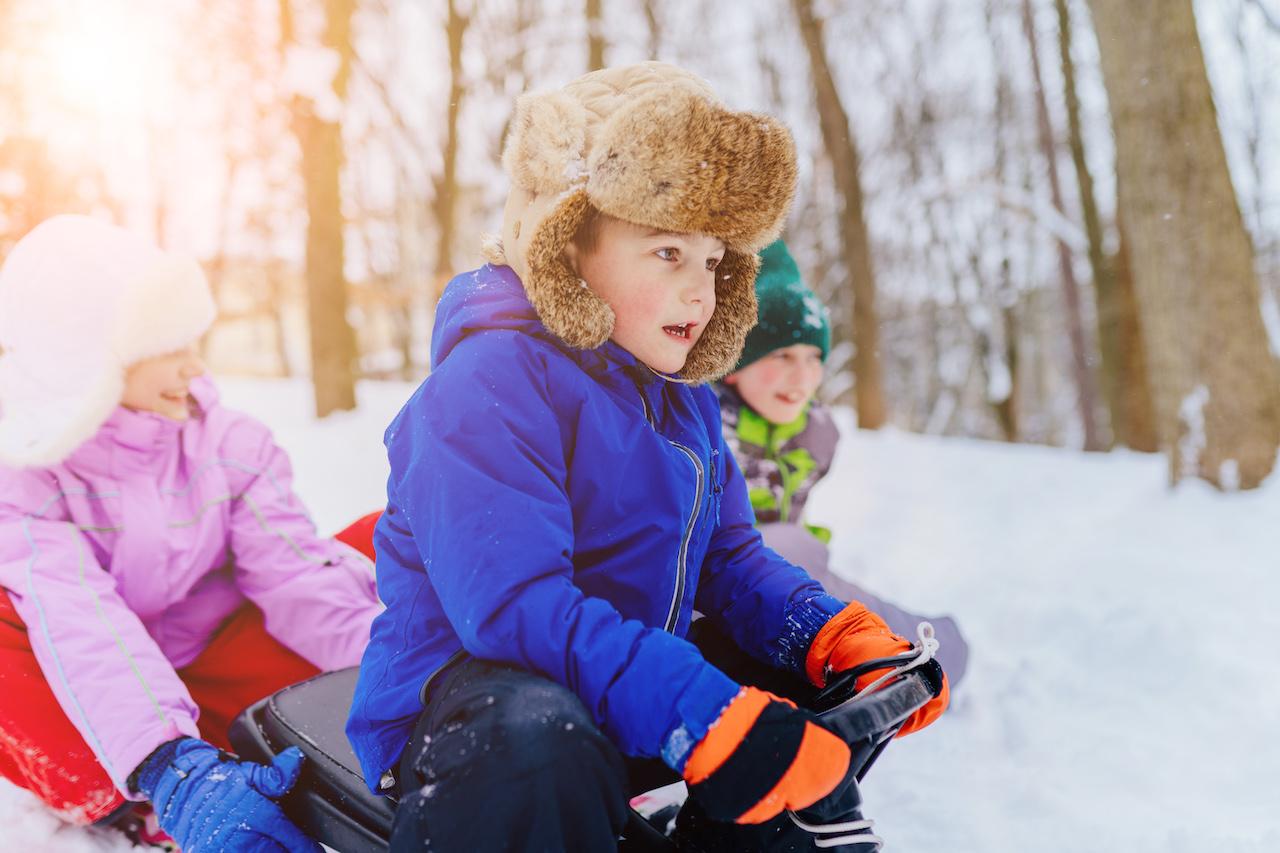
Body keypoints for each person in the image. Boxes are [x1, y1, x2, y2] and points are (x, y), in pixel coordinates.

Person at [347, 62, 950, 853]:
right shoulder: (484, 386)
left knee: (802, 683)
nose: (701, 293)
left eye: (712, 261)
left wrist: (829, 633)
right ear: (567, 248)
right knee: (536, 739)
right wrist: (692, 704)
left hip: (606, 686)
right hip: (472, 717)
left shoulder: (683, 396)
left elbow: (728, 558)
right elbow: (515, 609)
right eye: (667, 253)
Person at [0, 215, 383, 851]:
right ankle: (143, 796)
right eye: (170, 348)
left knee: (379, 540)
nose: (195, 364)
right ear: (92, 364)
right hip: (82, 690)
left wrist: (398, 667)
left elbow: (293, 573)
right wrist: (170, 767)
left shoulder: (227, 443)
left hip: (211, 657)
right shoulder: (28, 475)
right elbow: (80, 621)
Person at [719, 239, 968, 684]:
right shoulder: (706, 427)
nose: (803, 376)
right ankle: (912, 658)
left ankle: (929, 657)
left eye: (814, 358)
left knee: (802, 562)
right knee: (790, 552)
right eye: (782, 355)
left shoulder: (812, 433)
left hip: (774, 583)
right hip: (720, 588)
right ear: (735, 363)